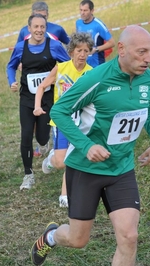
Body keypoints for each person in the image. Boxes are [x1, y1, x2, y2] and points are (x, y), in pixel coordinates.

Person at [30, 25, 150, 266]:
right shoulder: (96, 78)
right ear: (121, 49)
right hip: (85, 170)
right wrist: (86, 145)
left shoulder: (149, 80)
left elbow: (147, 108)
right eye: (142, 52)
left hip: (121, 169)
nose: (148, 59)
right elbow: (59, 110)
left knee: (129, 237)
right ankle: (50, 236)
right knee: (77, 239)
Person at [6, 14, 70, 190]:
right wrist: (11, 80)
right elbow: (11, 65)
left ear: (46, 28)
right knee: (26, 134)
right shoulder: (21, 48)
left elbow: (68, 65)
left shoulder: (55, 46)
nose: (39, 30)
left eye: (42, 27)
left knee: (42, 136)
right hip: (27, 98)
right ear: (29, 29)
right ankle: (28, 174)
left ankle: (44, 144)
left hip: (48, 98)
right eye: (36, 27)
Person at [33, 32, 94, 208]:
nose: (82, 54)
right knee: (60, 162)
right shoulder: (61, 68)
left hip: (82, 121)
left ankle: (65, 195)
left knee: (73, 157)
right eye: (78, 50)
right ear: (71, 51)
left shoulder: (92, 73)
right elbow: (42, 86)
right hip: (62, 120)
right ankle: (50, 160)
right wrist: (37, 106)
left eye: (85, 51)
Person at [17, 1, 70, 157]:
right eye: (36, 17)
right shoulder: (24, 32)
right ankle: (40, 139)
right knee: (30, 120)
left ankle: (44, 139)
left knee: (44, 125)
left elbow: (68, 47)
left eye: (43, 18)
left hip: (49, 86)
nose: (39, 27)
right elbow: (20, 51)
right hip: (29, 88)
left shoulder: (57, 29)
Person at [76, 0, 115, 68]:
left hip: (97, 64)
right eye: (81, 10)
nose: (82, 13)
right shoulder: (78, 23)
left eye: (85, 10)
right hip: (83, 63)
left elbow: (112, 43)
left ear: (92, 11)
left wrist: (96, 49)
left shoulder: (98, 25)